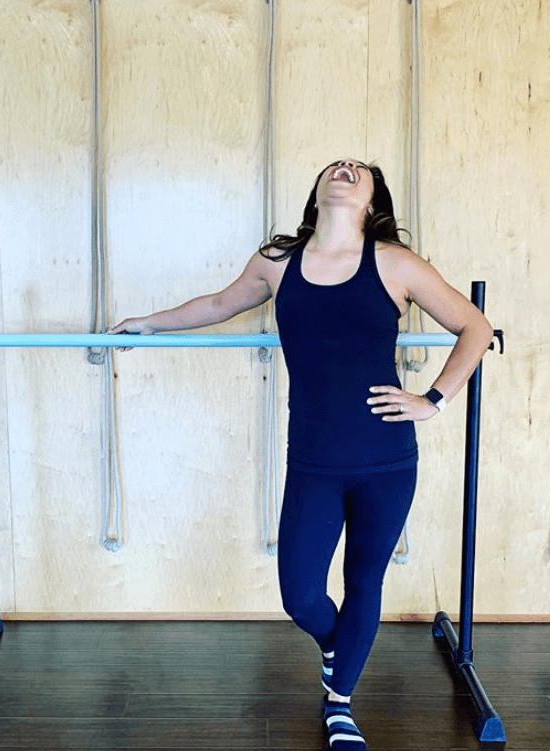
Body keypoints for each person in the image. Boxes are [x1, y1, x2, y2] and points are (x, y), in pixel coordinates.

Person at [110, 158, 493, 750]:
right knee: (300, 593)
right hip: (314, 458)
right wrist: (149, 324)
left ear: (371, 200)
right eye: (334, 166)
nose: (344, 169)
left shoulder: (394, 263)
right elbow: (217, 305)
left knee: (365, 580)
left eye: (358, 170)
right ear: (318, 192)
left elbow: (475, 326)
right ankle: (340, 650)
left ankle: (340, 704)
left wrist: (433, 399)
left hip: (386, 459)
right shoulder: (277, 263)